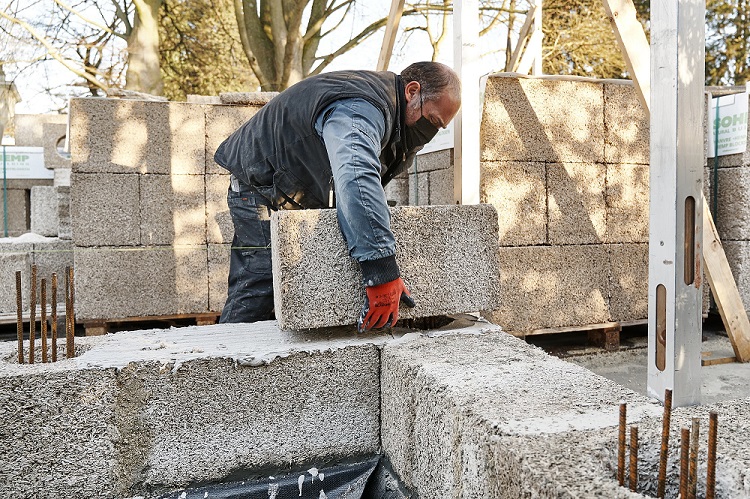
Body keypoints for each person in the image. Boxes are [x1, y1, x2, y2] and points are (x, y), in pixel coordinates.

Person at [214, 61, 461, 331]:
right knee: (260, 279)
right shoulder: (360, 108)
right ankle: (227, 352)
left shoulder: (395, 119)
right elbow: (356, 175)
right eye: (433, 120)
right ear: (412, 92)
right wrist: (381, 271)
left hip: (290, 186)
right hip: (260, 182)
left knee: (289, 281)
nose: (431, 131)